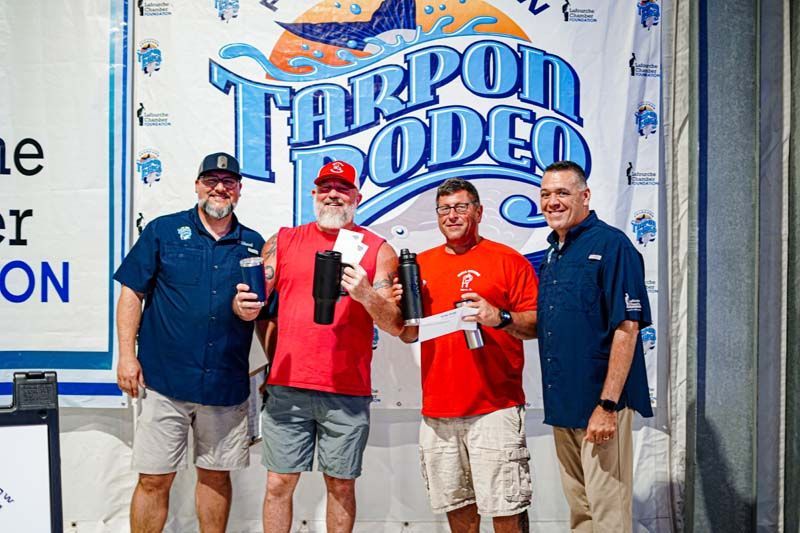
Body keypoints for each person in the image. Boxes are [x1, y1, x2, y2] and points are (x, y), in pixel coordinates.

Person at [233, 160, 403, 533]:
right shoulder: (284, 240)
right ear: (313, 194)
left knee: (341, 485)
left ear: (356, 197)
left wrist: (364, 295)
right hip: (287, 387)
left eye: (342, 189)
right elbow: (254, 305)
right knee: (278, 483)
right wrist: (242, 308)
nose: (333, 195)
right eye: (326, 187)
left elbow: (395, 325)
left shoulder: (378, 249)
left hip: (346, 389)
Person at [114, 152, 266, 533]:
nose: (219, 188)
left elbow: (264, 311)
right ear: (197, 185)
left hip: (226, 385)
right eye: (211, 180)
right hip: (164, 381)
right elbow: (132, 292)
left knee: (216, 477)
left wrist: (257, 329)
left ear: (239, 191)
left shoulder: (253, 244)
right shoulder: (163, 231)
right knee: (154, 479)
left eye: (228, 182)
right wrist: (126, 356)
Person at [395, 178, 539, 532]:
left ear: (478, 211)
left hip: (495, 407)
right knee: (457, 510)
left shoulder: (509, 261)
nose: (452, 215)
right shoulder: (419, 266)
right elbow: (408, 332)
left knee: (507, 508)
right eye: (445, 209)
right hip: (438, 411)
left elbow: (535, 325)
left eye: (461, 207)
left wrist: (500, 317)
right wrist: (395, 303)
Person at [536, 161, 653, 533]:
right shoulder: (554, 252)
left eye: (562, 193)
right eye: (545, 194)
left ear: (585, 196)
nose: (552, 202)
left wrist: (607, 406)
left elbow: (627, 327)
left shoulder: (612, 244)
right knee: (582, 514)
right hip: (563, 406)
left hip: (600, 408)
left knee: (609, 516)